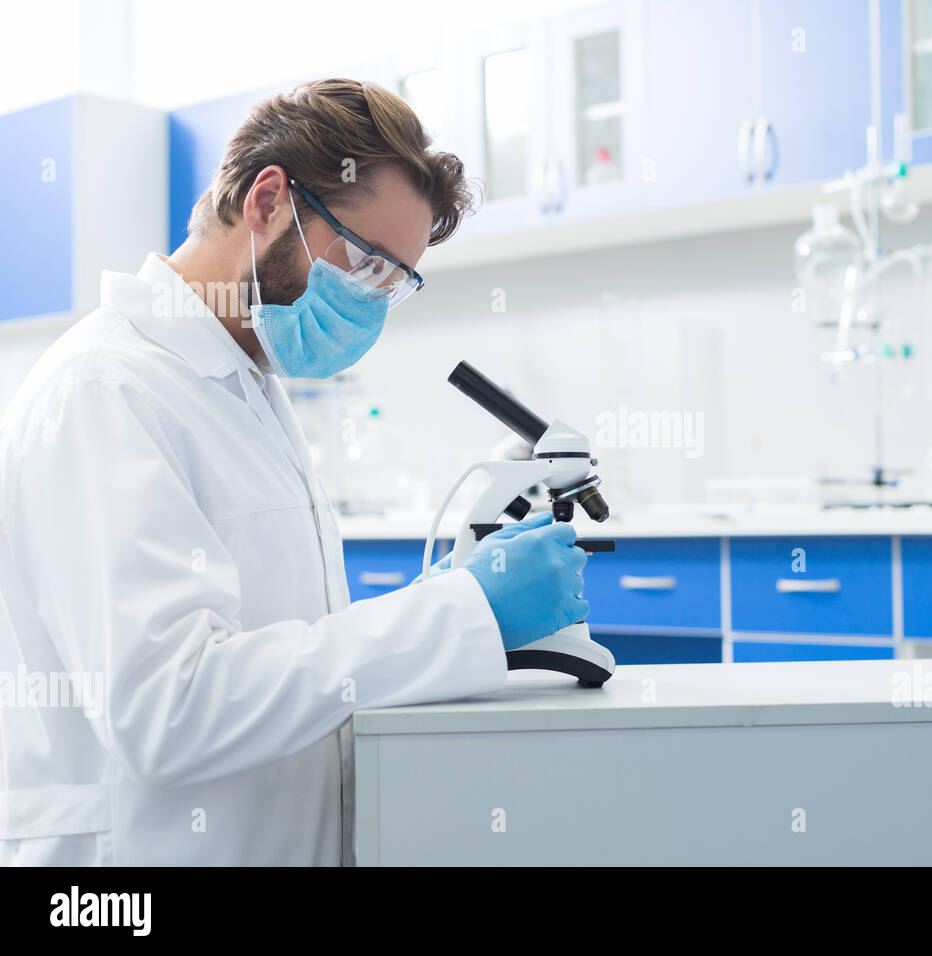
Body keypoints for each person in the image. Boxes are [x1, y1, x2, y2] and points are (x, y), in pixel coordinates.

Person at [0, 78, 589, 865]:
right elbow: (166, 710)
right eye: (366, 265)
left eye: (394, 286)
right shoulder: (106, 390)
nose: (372, 308)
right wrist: (457, 614)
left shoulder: (244, 384)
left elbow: (283, 647)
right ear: (268, 201)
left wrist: (438, 600)